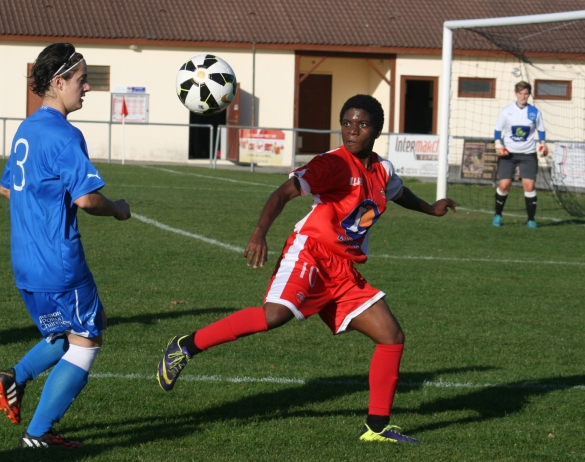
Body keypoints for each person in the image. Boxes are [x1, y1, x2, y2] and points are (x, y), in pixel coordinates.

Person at [156, 94, 456, 444]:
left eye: (361, 124)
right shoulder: (332, 164)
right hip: (310, 253)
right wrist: (259, 232)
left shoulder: (382, 169)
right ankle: (185, 346)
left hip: (343, 269)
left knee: (390, 335)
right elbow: (284, 192)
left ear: (377, 130)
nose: (352, 130)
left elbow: (397, 192)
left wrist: (430, 209)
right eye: (346, 123)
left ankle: (376, 429)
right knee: (274, 316)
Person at [0, 43, 131, 449]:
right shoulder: (66, 135)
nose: (87, 87)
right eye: (81, 79)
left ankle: (14, 377)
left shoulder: (27, 128)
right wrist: (120, 209)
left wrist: (40, 204)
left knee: (82, 324)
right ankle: (38, 434)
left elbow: (6, 188)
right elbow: (87, 199)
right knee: (88, 340)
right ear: (58, 82)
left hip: (25, 262)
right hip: (59, 262)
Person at [492, 81, 547, 228]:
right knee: (504, 185)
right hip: (508, 154)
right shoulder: (506, 111)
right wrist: (498, 143)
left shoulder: (535, 112)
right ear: (516, 94)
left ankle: (531, 219)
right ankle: (498, 215)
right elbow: (498, 129)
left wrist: (542, 143)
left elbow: (541, 130)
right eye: (521, 93)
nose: (523, 96)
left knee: (529, 186)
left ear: (529, 94)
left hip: (528, 154)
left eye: (526, 94)